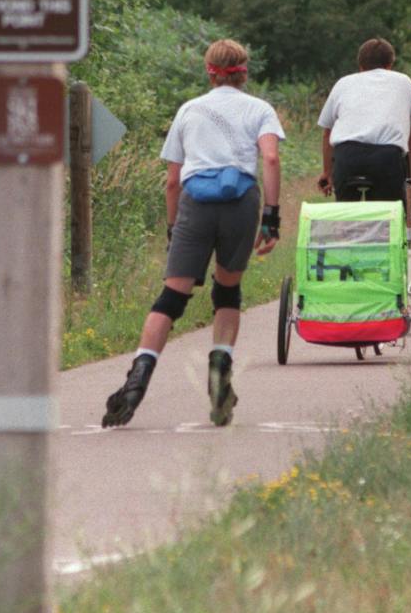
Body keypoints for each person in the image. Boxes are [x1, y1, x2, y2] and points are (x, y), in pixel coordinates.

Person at [102, 39, 283, 429]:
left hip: (195, 203)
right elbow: (269, 157)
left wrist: (173, 228)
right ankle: (220, 369)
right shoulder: (259, 109)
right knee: (227, 290)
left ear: (209, 72)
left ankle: (137, 380)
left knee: (172, 295)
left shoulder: (189, 110)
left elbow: (171, 181)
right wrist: (271, 216)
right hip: (241, 202)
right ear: (244, 72)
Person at [316, 37, 411, 202]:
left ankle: (347, 226)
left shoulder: (343, 83)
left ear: (360, 66)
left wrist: (327, 172)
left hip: (347, 157)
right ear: (390, 65)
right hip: (386, 158)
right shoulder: (403, 81)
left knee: (346, 214)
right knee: (389, 216)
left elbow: (327, 133)